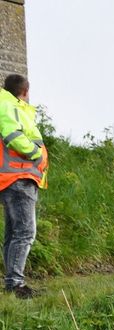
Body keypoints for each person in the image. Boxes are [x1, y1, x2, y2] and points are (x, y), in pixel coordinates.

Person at [0, 74, 49, 299]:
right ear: (26, 92)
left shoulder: (7, 105)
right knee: (25, 232)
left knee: (14, 233)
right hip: (19, 177)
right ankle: (16, 284)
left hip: (14, 177)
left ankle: (13, 281)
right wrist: (35, 153)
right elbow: (13, 135)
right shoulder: (12, 107)